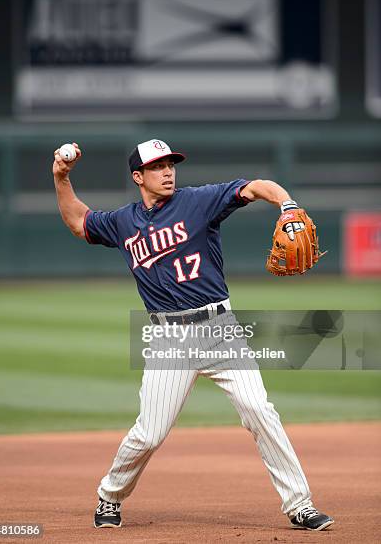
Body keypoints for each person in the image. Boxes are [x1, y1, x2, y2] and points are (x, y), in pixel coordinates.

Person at [52, 138, 334, 532]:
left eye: (170, 164)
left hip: (221, 329)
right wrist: (60, 178)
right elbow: (79, 222)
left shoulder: (199, 201)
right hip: (169, 340)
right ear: (138, 176)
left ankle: (300, 504)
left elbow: (254, 187)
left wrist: (286, 203)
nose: (167, 172)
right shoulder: (123, 221)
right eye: (157, 167)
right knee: (150, 434)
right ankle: (110, 496)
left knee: (260, 412)